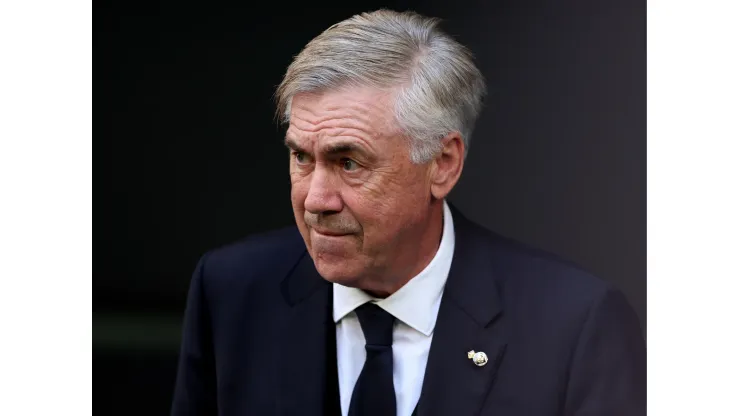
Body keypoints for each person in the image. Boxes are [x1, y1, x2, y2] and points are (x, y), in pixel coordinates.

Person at [170, 9, 646, 416]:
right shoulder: (233, 293)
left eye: (349, 162)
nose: (316, 199)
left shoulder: (572, 325)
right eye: (301, 158)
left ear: (443, 164)